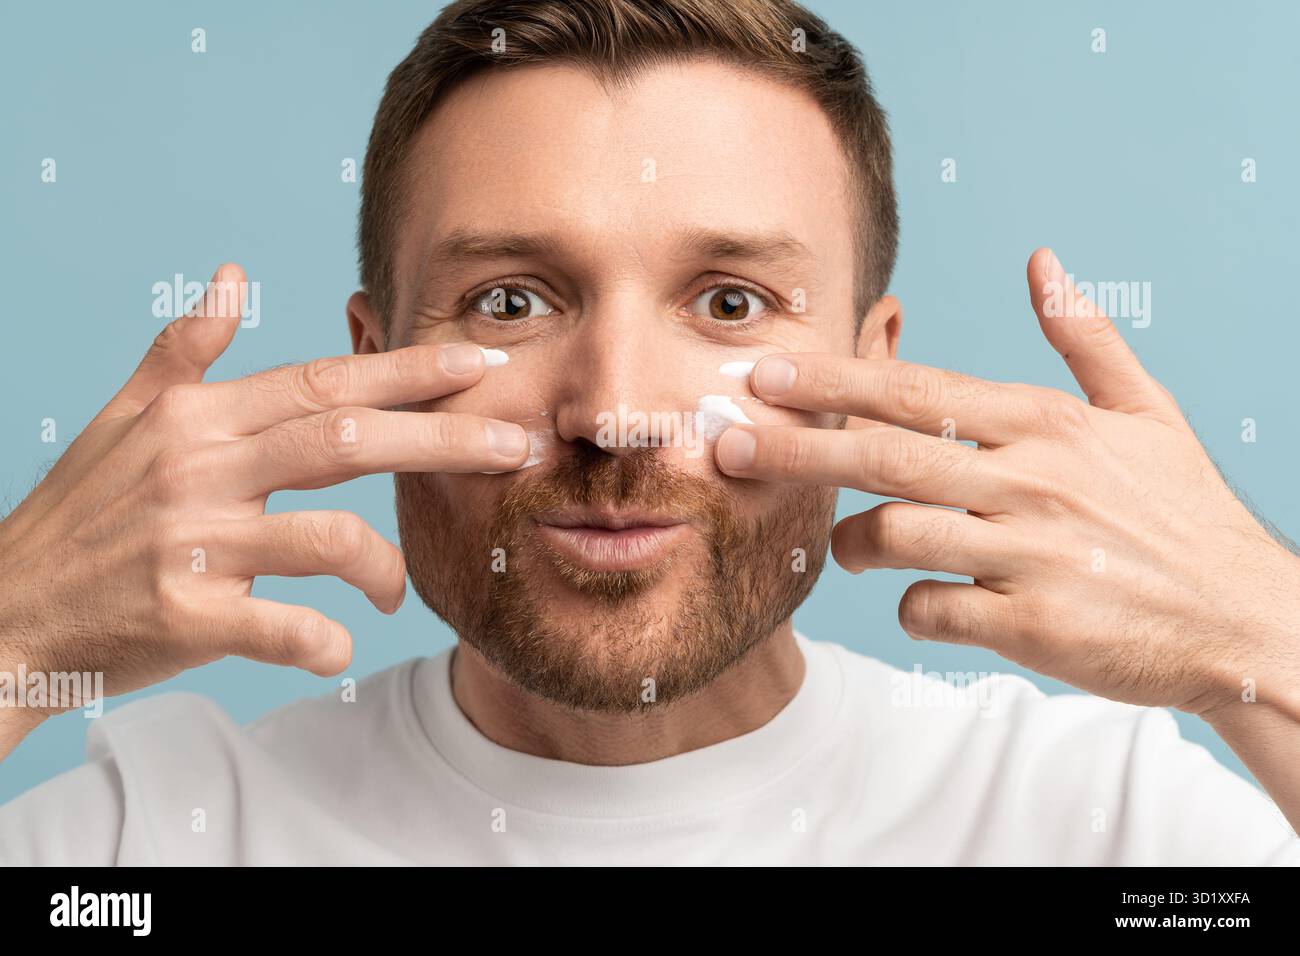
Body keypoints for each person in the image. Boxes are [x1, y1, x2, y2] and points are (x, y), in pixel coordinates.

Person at [1, 0, 1298, 865]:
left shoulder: (1107, 829)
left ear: (866, 370)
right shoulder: (146, 845)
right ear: (374, 368)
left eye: (730, 303)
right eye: (511, 301)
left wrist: (1267, 633)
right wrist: (12, 633)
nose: (614, 412)